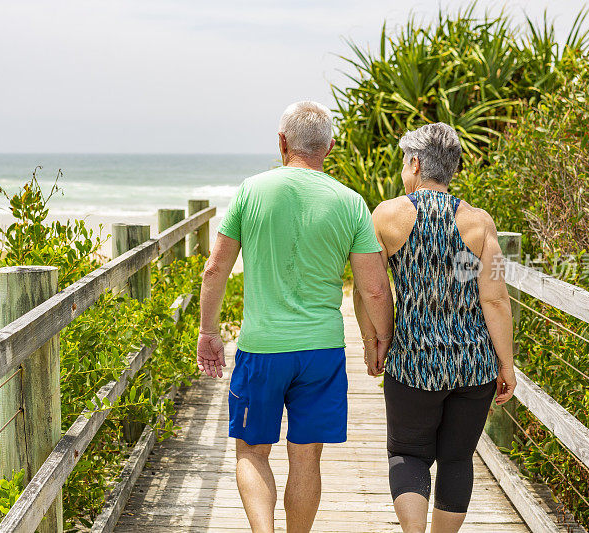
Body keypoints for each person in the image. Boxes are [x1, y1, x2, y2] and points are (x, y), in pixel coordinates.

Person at [196, 100, 394, 533]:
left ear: (281, 142)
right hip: (322, 350)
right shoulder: (351, 202)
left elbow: (215, 269)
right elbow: (374, 287)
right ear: (330, 147)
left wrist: (209, 330)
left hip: (261, 348)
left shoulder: (251, 191)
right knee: (306, 454)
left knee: (251, 451)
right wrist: (381, 338)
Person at [353, 122, 516, 533]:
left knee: (408, 454)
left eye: (404, 163)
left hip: (412, 362)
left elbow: (368, 289)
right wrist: (507, 365)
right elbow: (495, 299)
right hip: (472, 365)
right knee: (457, 459)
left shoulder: (386, 216)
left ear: (415, 162)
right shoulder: (481, 223)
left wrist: (375, 340)